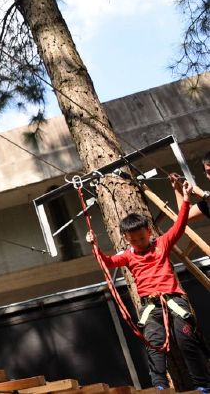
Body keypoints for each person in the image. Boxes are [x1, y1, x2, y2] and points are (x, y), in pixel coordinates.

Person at [87, 175, 209, 391]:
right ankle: (159, 387)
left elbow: (179, 226)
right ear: (126, 238)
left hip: (174, 300)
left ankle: (202, 385)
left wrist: (186, 200)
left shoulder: (161, 244)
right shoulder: (127, 256)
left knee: (185, 340)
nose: (138, 243)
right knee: (154, 344)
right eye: (133, 240)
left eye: (142, 239)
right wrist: (95, 246)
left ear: (149, 232)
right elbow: (107, 263)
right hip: (150, 305)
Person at [173, 151, 210, 221]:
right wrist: (177, 187)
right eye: (207, 172)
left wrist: (202, 194)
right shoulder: (207, 203)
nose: (208, 176)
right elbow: (185, 216)